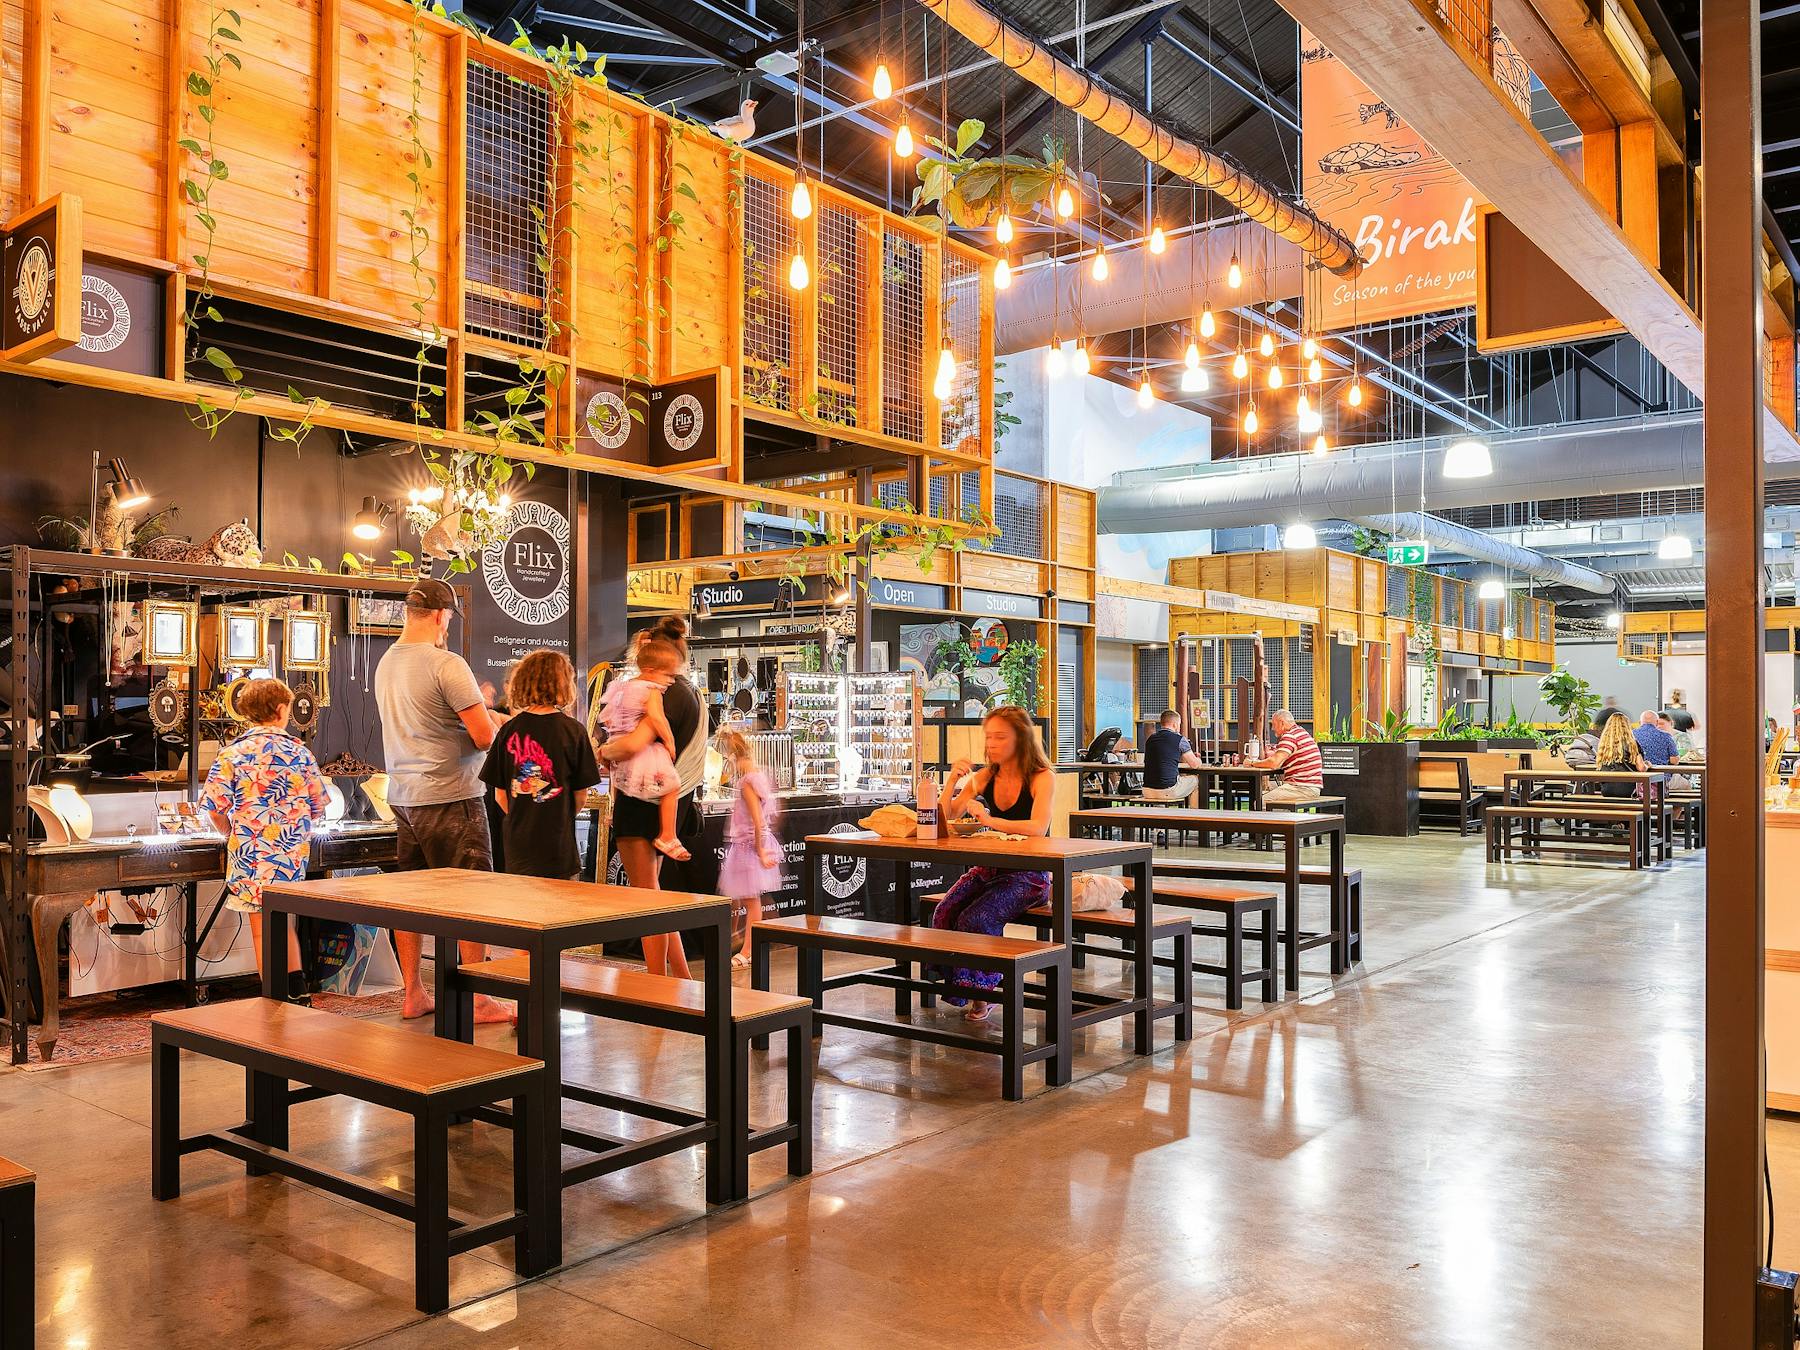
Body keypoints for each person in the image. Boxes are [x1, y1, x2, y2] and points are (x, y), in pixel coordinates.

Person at [374, 578, 510, 1023]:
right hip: (453, 796)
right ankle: (479, 998)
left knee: (410, 900)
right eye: (449, 617)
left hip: (405, 798)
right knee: (473, 898)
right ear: (440, 615)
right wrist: (502, 720)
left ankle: (413, 992)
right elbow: (483, 736)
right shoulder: (447, 664)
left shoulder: (387, 663)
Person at [199, 678, 330, 1002]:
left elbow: (214, 808)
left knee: (261, 926)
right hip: (290, 854)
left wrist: (230, 831)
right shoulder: (300, 752)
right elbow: (317, 807)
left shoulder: (233, 754)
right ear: (282, 710)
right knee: (285, 922)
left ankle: (273, 997)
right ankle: (299, 992)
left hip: (250, 853)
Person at [932, 707, 1057, 1023]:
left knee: (977, 918)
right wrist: (952, 782)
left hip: (1030, 876)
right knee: (944, 912)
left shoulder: (1042, 777)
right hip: (991, 869)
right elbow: (948, 816)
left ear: (1021, 738)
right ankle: (962, 987)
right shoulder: (987, 775)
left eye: (1000, 737)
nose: (992, 744)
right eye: (989, 737)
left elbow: (1038, 827)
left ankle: (985, 993)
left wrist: (991, 820)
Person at [601, 615, 708, 979]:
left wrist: (602, 753)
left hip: (639, 797)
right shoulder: (691, 693)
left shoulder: (657, 692)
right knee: (655, 894)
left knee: (645, 899)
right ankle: (679, 975)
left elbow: (632, 743)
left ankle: (657, 981)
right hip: (668, 797)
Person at [481, 651, 601, 881]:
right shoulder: (574, 731)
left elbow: (499, 795)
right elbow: (581, 796)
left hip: (518, 848)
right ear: (564, 683)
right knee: (561, 911)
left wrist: (522, 816)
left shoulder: (508, 730)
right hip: (559, 847)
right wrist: (559, 816)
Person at [597, 638, 690, 862]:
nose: (670, 681)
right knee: (672, 786)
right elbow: (657, 718)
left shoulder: (621, 687)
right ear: (650, 671)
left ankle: (611, 813)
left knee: (619, 783)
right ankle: (668, 834)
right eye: (667, 675)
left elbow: (608, 719)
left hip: (616, 743)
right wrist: (669, 741)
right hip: (640, 752)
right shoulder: (652, 690)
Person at [714, 727, 783, 968]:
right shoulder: (757, 777)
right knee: (742, 898)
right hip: (748, 844)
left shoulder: (747, 783)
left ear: (732, 759)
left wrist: (760, 849)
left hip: (749, 846)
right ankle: (739, 938)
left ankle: (748, 949)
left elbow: (758, 820)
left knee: (751, 901)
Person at [1247, 709, 1324, 805]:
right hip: (1311, 787)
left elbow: (1274, 763)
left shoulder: (1290, 736)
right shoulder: (1301, 732)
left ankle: (1278, 819)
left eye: (1274, 724)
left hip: (1302, 788)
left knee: (1259, 803)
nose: (1272, 729)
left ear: (1281, 723)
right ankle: (1283, 818)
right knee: (1273, 797)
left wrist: (1252, 763)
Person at [1141, 709, 1203, 803]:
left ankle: (1160, 811)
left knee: (1176, 779)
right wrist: (1198, 759)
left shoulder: (1150, 739)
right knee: (1196, 780)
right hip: (1168, 790)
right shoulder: (1180, 739)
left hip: (1147, 790)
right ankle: (1193, 814)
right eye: (1179, 724)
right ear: (1175, 724)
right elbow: (1194, 764)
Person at [1633, 709, 1682, 787]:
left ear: (1640, 722)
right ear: (1656, 722)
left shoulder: (1631, 735)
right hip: (1661, 780)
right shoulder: (1666, 736)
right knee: (1686, 784)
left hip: (1637, 780)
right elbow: (1674, 760)